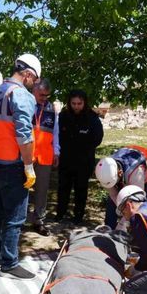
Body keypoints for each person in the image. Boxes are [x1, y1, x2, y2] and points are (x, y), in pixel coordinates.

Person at [0, 53, 40, 280]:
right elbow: (24, 137)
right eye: (34, 80)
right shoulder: (21, 95)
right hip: (12, 165)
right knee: (15, 217)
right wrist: (29, 166)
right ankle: (9, 262)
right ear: (27, 74)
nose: (34, 84)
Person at [55, 89, 103, 224]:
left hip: (84, 161)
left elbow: (97, 138)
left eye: (79, 103)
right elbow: (57, 135)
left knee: (81, 189)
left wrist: (84, 145)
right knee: (63, 187)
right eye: (73, 103)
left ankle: (78, 215)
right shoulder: (63, 116)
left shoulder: (92, 118)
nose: (76, 106)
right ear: (69, 103)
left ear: (84, 103)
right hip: (66, 160)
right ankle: (60, 213)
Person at [95, 145, 147, 229]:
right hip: (132, 160)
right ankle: (109, 228)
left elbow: (137, 202)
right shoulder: (105, 170)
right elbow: (114, 195)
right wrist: (122, 211)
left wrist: (121, 226)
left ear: (120, 173)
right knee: (112, 202)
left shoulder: (135, 173)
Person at [29, 78, 59, 236]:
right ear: (34, 90)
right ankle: (19, 219)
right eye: (41, 94)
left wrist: (57, 151)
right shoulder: (25, 104)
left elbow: (55, 132)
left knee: (42, 190)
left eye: (47, 95)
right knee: (23, 188)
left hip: (45, 156)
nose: (44, 98)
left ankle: (38, 221)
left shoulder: (52, 108)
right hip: (27, 155)